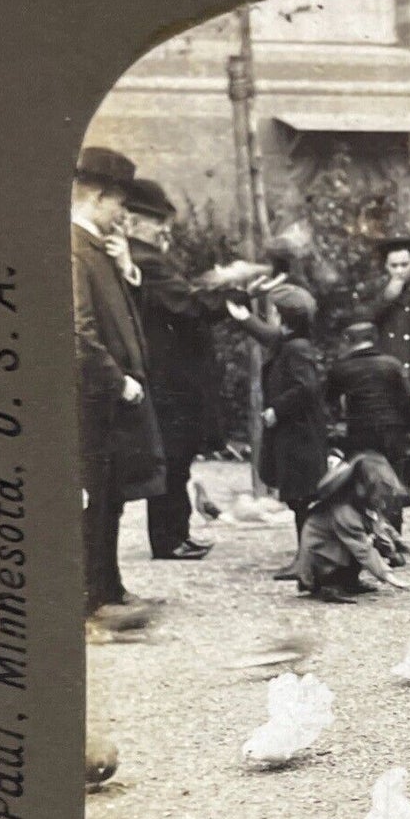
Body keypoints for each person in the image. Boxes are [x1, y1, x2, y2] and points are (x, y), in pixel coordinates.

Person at [70, 146, 166, 615]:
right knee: (97, 497)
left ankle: (109, 588)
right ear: (101, 198)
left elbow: (124, 316)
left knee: (112, 497)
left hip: (110, 399)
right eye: (120, 205)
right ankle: (93, 594)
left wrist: (127, 267)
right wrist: (118, 381)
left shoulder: (97, 248)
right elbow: (79, 331)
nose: (123, 214)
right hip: (96, 399)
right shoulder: (73, 248)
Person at [122, 176, 221, 562]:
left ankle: (177, 533)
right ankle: (169, 540)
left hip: (168, 376)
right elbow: (190, 305)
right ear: (134, 221)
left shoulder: (147, 260)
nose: (165, 228)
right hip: (170, 379)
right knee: (174, 458)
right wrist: (230, 299)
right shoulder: (146, 261)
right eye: (157, 220)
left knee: (177, 459)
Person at [229, 284, 327, 542]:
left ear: (284, 318)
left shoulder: (296, 349)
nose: (270, 316)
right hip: (298, 435)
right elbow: (269, 335)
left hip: (300, 436)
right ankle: (306, 555)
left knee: (302, 498)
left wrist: (277, 409)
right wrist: (243, 318)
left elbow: (306, 387)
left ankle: (307, 557)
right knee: (299, 498)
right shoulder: (291, 342)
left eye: (274, 311)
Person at [321, 312, 410, 529]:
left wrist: (334, 426)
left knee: (362, 482)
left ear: (348, 342)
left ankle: (368, 532)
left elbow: (326, 402)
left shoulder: (341, 369)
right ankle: (394, 533)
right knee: (391, 482)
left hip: (360, 431)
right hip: (394, 430)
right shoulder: (392, 365)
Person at [294, 452, 410, 603]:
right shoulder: (343, 510)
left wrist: (393, 549)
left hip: (334, 554)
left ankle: (349, 581)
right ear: (360, 486)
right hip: (319, 562)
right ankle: (328, 585)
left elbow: (379, 527)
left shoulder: (361, 504)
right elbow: (362, 548)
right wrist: (386, 574)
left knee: (361, 542)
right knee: (355, 545)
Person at [367, 234, 410, 500]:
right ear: (386, 268)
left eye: (405, 265)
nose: (400, 271)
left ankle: (406, 486)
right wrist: (387, 297)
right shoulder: (377, 295)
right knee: (388, 430)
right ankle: (390, 485)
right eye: (394, 266)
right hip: (385, 371)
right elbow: (366, 320)